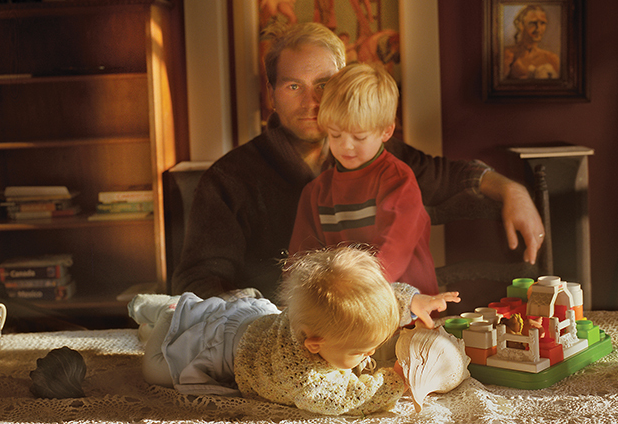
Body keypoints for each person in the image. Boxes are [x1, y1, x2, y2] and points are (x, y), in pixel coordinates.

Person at [172, 22, 545, 301]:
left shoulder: (379, 158)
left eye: (324, 83)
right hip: (280, 331)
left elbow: (450, 175)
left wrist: (511, 189)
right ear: (271, 95)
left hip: (378, 315)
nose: (311, 102)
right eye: (292, 86)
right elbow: (199, 281)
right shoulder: (228, 180)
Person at [130, 245, 460, 416]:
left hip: (257, 316)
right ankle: (167, 313)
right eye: (360, 351)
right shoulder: (301, 376)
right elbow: (343, 399)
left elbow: (369, 302)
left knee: (212, 309)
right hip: (222, 346)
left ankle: (163, 309)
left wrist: (410, 301)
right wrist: (392, 384)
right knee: (156, 369)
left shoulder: (315, 319)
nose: (370, 355)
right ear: (315, 346)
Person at [289, 63, 437, 295]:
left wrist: (355, 291)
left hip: (402, 308)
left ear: (386, 131)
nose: (346, 145)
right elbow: (300, 260)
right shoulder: (316, 192)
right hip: (344, 306)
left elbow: (393, 252)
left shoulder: (398, 180)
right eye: (335, 134)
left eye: (359, 136)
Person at [503, 5, 560, 80]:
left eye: (542, 23)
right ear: (521, 25)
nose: (539, 28)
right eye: (533, 23)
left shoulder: (552, 59)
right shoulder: (506, 54)